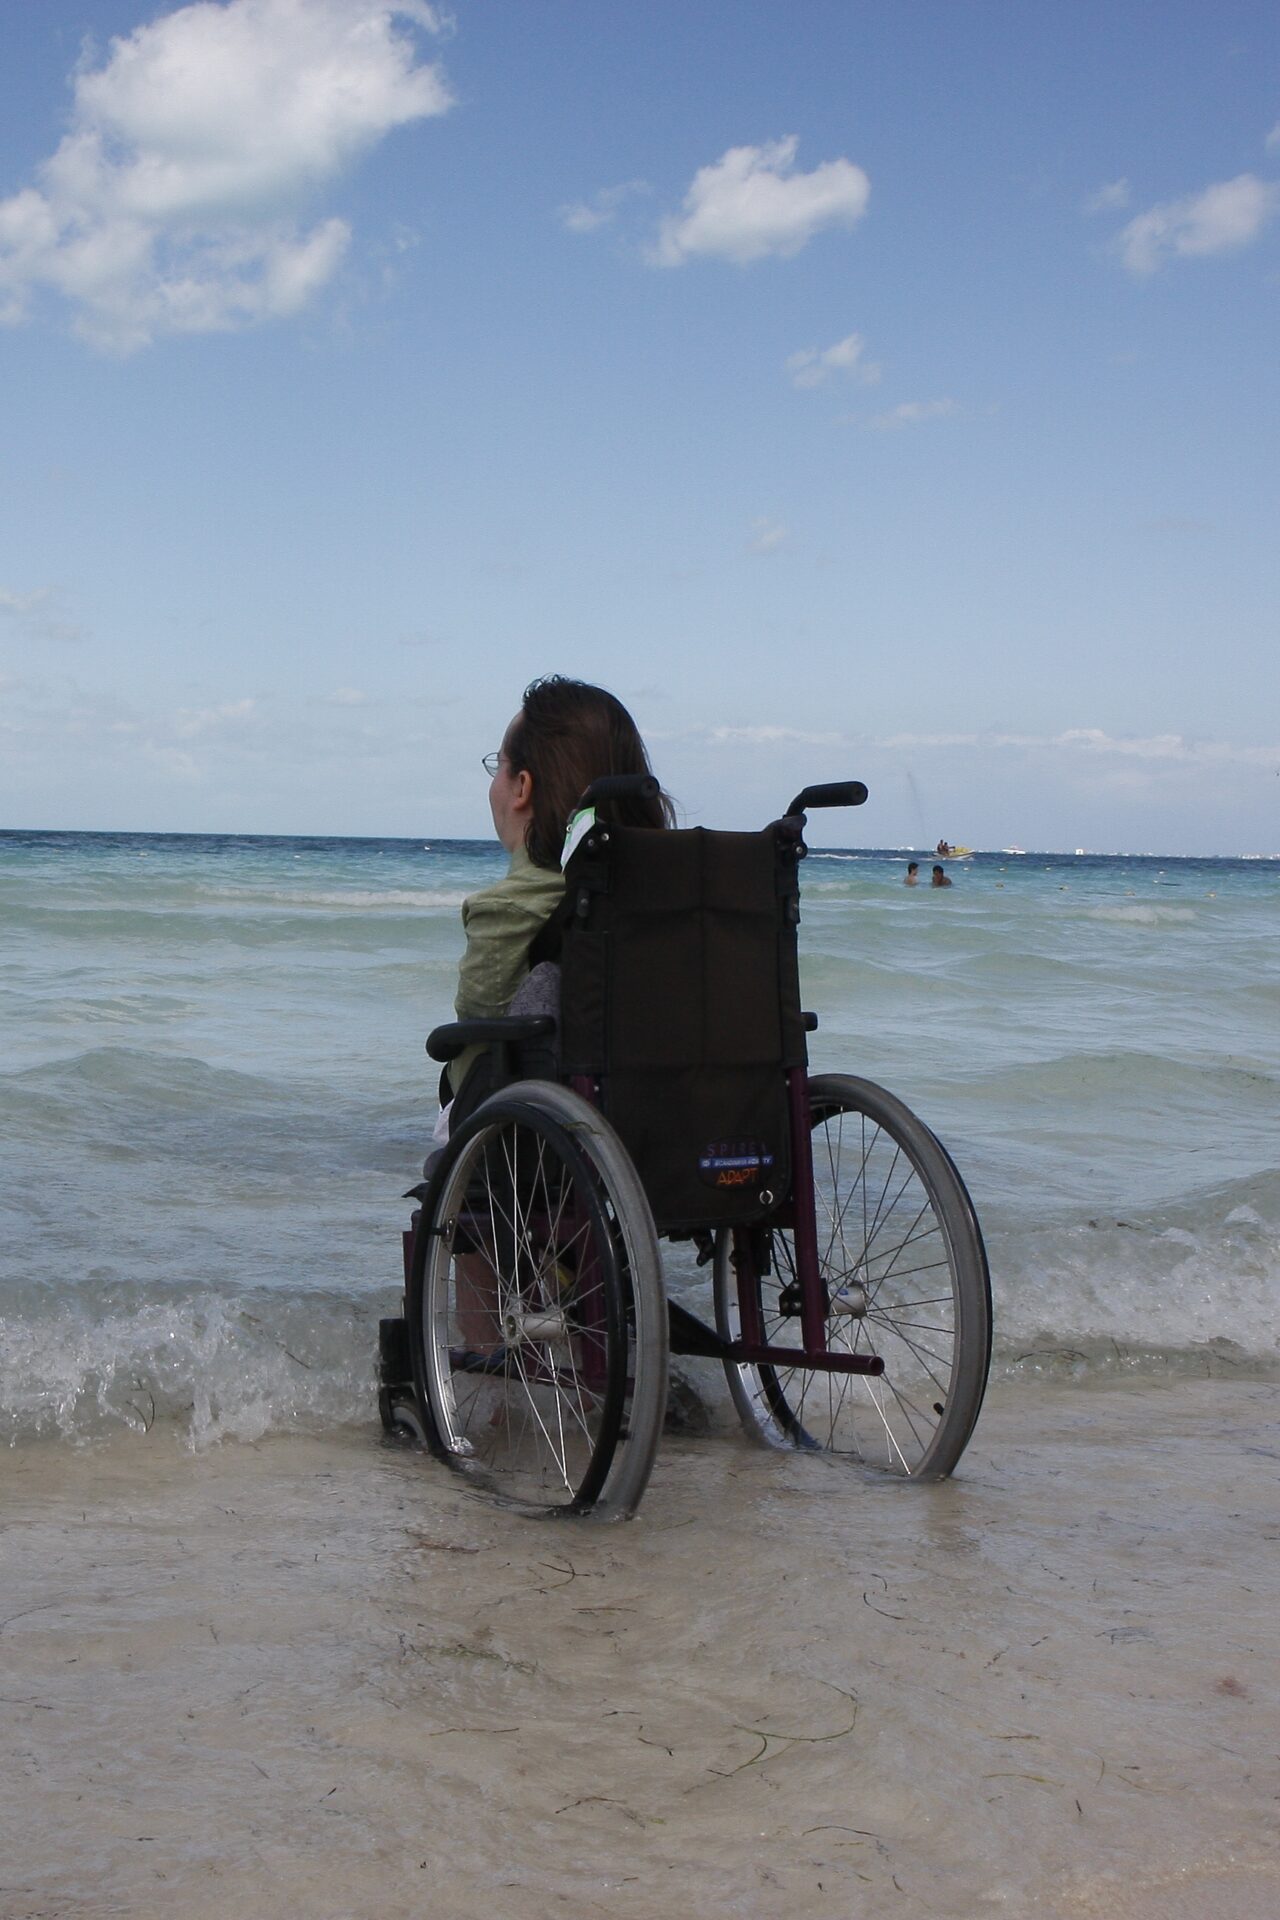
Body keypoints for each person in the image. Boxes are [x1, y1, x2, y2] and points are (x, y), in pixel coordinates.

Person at [435, 676, 673, 1357]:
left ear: (522, 789)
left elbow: (476, 1026)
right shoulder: (665, 901)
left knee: (464, 1116)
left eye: (498, 766)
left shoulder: (510, 907)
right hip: (673, 1128)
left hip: (548, 1145)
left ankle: (487, 1368)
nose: (495, 783)